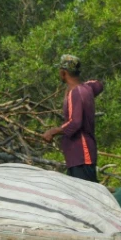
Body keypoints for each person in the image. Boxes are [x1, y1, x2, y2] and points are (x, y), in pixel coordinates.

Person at [42, 55, 104, 183]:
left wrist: (52, 131)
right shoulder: (87, 88)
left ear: (63, 73)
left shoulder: (75, 93)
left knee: (86, 197)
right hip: (79, 157)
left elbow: (75, 123)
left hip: (81, 155)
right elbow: (98, 84)